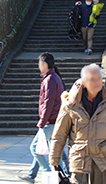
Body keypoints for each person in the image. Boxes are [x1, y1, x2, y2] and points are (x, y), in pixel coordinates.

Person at [49, 64, 106, 184]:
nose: (97, 82)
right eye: (92, 79)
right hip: (79, 155)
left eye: (99, 78)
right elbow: (59, 133)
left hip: (104, 155)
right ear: (84, 82)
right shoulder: (71, 104)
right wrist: (54, 161)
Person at [17, 52, 69, 183]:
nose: (39, 66)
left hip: (50, 121)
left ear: (45, 64)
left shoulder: (50, 79)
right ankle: (38, 176)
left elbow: (48, 103)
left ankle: (49, 173)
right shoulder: (55, 77)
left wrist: (42, 122)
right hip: (55, 120)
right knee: (49, 151)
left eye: (40, 64)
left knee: (35, 148)